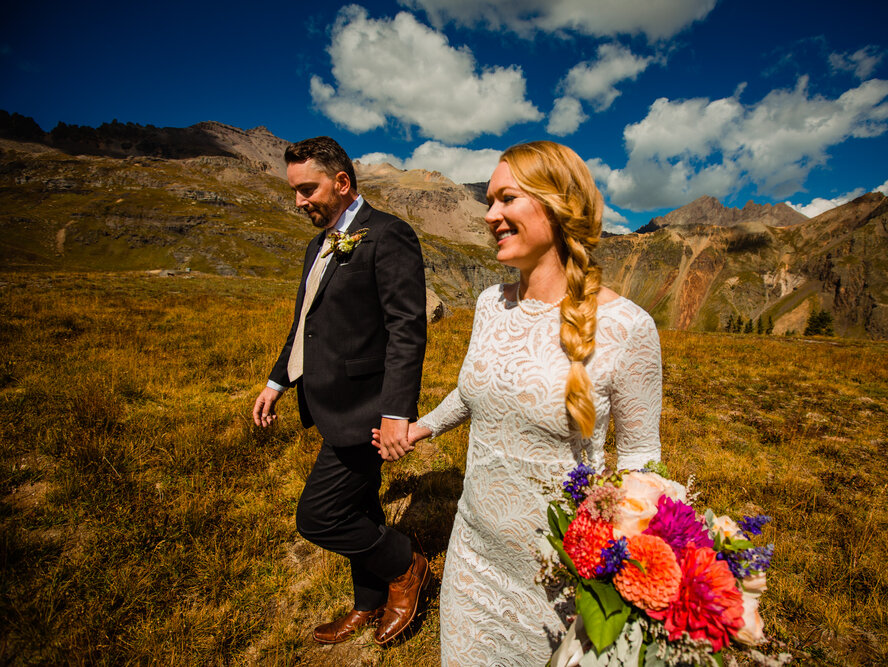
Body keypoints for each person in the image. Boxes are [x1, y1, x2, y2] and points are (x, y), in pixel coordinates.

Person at [372, 141, 663, 665]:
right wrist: (424, 428)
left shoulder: (628, 327)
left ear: (557, 204)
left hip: (556, 574)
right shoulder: (490, 304)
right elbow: (473, 388)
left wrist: (627, 554)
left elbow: (641, 456)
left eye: (506, 198)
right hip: (473, 552)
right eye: (489, 201)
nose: (490, 216)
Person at [252, 136, 429, 646]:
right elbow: (305, 323)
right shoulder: (317, 245)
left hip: (366, 409)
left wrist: (397, 411)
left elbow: (406, 329)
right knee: (361, 509)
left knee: (320, 516)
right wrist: (277, 381)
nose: (299, 200)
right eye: (295, 191)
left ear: (342, 182)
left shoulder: (389, 235)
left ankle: (406, 564)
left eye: (307, 188)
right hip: (326, 404)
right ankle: (368, 603)